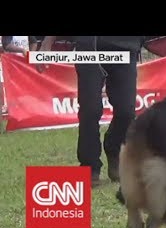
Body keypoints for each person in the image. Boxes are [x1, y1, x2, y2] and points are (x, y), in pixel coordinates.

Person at [37, 36, 150, 187]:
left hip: (126, 48)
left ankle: (114, 149)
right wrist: (47, 42)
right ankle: (89, 166)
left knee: (126, 112)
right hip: (90, 47)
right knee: (89, 110)